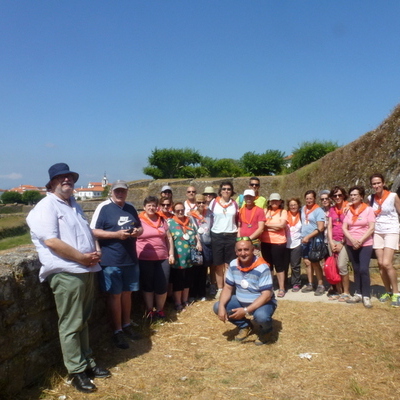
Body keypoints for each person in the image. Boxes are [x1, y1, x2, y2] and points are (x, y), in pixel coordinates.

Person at [26, 163, 110, 393]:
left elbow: (87, 233)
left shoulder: (73, 205)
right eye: (61, 178)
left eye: (69, 178)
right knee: (71, 324)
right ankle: (76, 371)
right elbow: (51, 241)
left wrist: (96, 250)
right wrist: (82, 258)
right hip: (67, 272)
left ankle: (87, 362)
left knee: (83, 319)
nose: (67, 181)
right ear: (52, 183)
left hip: (85, 270)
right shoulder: (46, 207)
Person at [90, 180, 143, 349]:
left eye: (123, 191)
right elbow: (93, 231)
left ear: (127, 192)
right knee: (115, 295)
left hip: (129, 259)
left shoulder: (131, 207)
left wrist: (136, 232)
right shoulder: (103, 208)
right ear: (111, 192)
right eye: (117, 191)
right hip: (111, 260)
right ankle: (117, 331)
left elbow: (140, 228)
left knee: (127, 294)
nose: (120, 194)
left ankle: (127, 325)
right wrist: (116, 235)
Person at [213, 238, 277, 345]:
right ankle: (245, 326)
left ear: (253, 250)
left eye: (246, 249)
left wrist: (246, 310)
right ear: (236, 251)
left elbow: (266, 295)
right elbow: (228, 288)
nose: (243, 253)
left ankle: (267, 330)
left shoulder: (262, 267)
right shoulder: (233, 264)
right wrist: (221, 307)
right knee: (217, 306)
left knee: (262, 317)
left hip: (262, 303)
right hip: (240, 300)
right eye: (239, 250)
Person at [136, 196, 175, 319]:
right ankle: (149, 310)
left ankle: (160, 310)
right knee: (147, 285)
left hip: (162, 257)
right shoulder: (138, 220)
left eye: (154, 205)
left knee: (162, 284)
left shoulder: (162, 220)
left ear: (157, 207)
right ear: (144, 207)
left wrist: (171, 254)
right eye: (149, 205)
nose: (151, 208)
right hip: (144, 258)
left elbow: (169, 238)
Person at [369, 173, 400, 307]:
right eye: (374, 184)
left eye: (378, 183)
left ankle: (396, 293)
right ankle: (387, 291)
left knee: (387, 263)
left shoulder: (393, 196)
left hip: (391, 231)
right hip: (378, 232)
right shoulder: (370, 198)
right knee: (381, 264)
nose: (376, 185)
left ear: (383, 183)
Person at [342, 186, 375, 308]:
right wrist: (351, 239)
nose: (353, 197)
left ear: (361, 196)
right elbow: (344, 227)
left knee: (363, 269)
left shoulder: (368, 210)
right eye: (351, 195)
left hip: (365, 243)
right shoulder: (348, 210)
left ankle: (366, 295)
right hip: (351, 243)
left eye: (356, 195)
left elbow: (371, 227)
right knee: (355, 269)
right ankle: (358, 293)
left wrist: (360, 240)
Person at [168, 202, 202, 311]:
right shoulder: (170, 223)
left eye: (182, 209)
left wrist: (198, 243)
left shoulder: (190, 220)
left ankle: (185, 300)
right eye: (177, 210)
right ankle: (178, 302)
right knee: (178, 280)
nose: (180, 212)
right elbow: (168, 240)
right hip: (178, 258)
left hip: (189, 257)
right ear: (174, 211)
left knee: (188, 279)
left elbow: (196, 233)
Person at [209, 181, 239, 299]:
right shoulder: (213, 202)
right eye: (224, 189)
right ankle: (220, 289)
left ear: (232, 191)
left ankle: (228, 288)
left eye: (228, 189)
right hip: (217, 235)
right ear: (220, 191)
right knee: (218, 264)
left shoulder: (234, 204)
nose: (226, 191)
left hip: (231, 235)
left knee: (229, 264)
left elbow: (237, 219)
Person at [261, 193, 288, 297]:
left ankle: (281, 288)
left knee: (279, 265)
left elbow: (282, 225)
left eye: (276, 200)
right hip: (265, 241)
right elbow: (261, 225)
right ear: (269, 201)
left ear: (280, 201)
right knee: (268, 266)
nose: (274, 202)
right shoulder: (265, 211)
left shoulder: (283, 212)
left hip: (278, 242)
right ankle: (270, 286)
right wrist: (274, 227)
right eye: (272, 200)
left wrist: (267, 226)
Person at [327, 186, 351, 302]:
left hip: (344, 241)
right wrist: (331, 242)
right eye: (335, 195)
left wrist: (342, 243)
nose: (337, 197)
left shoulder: (348, 207)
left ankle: (346, 292)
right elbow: (329, 226)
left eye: (339, 195)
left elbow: (350, 227)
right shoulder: (332, 209)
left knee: (342, 266)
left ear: (344, 195)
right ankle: (338, 290)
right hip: (333, 240)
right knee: (334, 267)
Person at [300, 190, 326, 295]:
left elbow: (321, 228)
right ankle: (310, 284)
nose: (309, 200)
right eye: (307, 198)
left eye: (311, 198)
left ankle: (320, 285)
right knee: (307, 263)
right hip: (304, 240)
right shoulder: (303, 209)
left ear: (314, 199)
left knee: (315, 263)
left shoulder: (318, 210)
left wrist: (308, 236)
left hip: (315, 240)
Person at [188, 194, 213, 301]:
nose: (201, 204)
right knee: (194, 270)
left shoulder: (210, 214)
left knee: (203, 270)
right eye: (199, 203)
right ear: (195, 203)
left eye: (203, 202)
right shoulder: (191, 215)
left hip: (207, 244)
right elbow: (190, 229)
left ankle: (202, 293)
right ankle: (193, 293)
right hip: (195, 244)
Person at [285, 198, 302, 292]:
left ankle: (296, 283)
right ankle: (284, 282)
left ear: (298, 205)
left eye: (295, 204)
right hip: (285, 243)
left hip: (297, 243)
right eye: (291, 205)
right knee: (285, 265)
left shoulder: (302, 215)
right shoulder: (285, 215)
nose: (293, 207)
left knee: (295, 265)